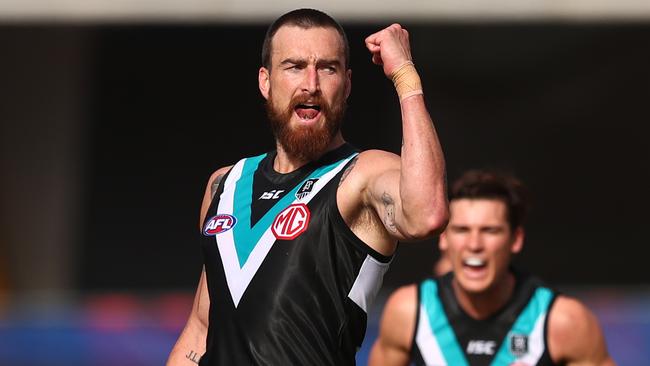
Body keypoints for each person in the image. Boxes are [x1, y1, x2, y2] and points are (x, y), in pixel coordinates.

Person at [166, 8, 449, 366]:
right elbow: (200, 328)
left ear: (347, 84)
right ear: (265, 82)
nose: (311, 85)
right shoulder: (225, 183)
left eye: (327, 68)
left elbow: (428, 213)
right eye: (295, 66)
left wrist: (405, 77)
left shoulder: (360, 175)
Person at [369, 170, 615, 366]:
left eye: (490, 231)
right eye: (461, 230)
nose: (474, 245)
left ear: (516, 239)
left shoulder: (563, 321)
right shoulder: (410, 312)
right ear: (443, 238)